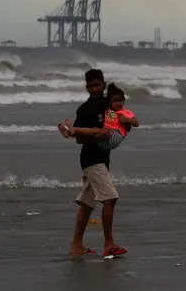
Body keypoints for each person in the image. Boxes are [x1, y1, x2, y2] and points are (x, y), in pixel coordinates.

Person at [56, 69, 128, 259]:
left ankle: (76, 246)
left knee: (88, 204)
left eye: (98, 84)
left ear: (103, 84)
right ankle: (109, 244)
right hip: (91, 159)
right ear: (86, 87)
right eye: (90, 85)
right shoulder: (84, 109)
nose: (94, 88)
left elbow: (122, 115)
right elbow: (80, 141)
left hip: (103, 158)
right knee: (110, 198)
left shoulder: (108, 104)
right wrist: (96, 134)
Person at [65, 83, 138, 151]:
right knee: (93, 130)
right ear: (110, 102)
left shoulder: (125, 112)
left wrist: (128, 120)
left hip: (115, 136)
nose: (118, 103)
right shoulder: (108, 109)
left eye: (121, 100)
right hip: (103, 141)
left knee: (97, 130)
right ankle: (70, 133)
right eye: (115, 101)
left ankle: (74, 130)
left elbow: (136, 123)